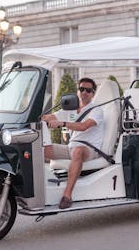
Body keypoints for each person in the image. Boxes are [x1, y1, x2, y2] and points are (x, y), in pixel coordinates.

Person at [42, 77, 104, 209]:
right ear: (77, 91)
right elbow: (51, 117)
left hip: (89, 149)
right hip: (71, 147)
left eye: (88, 90)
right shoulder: (70, 109)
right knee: (40, 150)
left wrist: (62, 123)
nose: (84, 92)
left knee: (77, 151)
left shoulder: (96, 110)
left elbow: (83, 126)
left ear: (93, 94)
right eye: (81, 89)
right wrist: (41, 118)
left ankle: (67, 195)